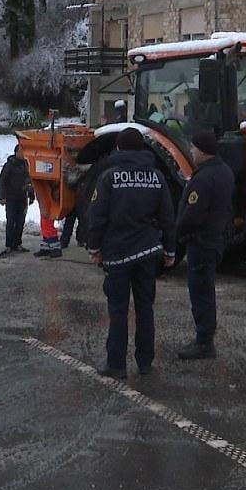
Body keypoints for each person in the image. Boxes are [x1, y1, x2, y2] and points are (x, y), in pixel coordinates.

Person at [85, 129, 176, 378]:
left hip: (117, 255)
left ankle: (116, 364)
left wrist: (95, 248)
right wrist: (170, 250)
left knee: (118, 310)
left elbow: (97, 216)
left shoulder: (109, 178)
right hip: (147, 253)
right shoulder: (156, 177)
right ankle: (145, 361)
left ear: (118, 148)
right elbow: (167, 217)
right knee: (145, 308)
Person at [175, 130, 235, 360]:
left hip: (201, 242)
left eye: (193, 148)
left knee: (201, 292)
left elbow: (193, 215)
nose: (190, 151)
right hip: (216, 238)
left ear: (202, 150)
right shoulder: (225, 172)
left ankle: (203, 342)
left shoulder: (203, 178)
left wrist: (178, 233)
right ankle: (204, 339)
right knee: (205, 290)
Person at [0, 145, 34, 255]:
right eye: (21, 151)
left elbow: (30, 181)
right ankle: (9, 245)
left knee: (20, 222)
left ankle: (18, 243)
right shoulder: (9, 165)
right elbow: (1, 181)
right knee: (11, 222)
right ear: (16, 152)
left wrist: (32, 195)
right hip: (11, 198)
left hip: (22, 198)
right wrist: (2, 197)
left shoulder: (26, 165)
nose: (23, 153)